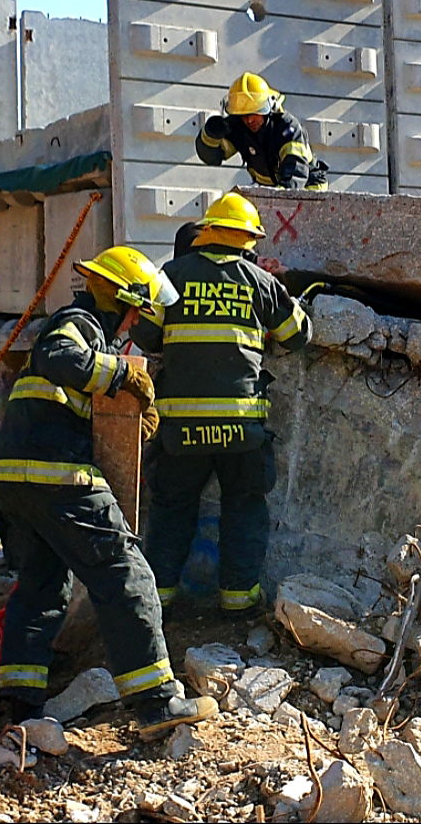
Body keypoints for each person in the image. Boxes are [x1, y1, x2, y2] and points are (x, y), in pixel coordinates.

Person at [0, 245, 218, 739]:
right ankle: (157, 704)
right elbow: (59, 357)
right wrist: (122, 374)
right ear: (123, 299)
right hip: (57, 474)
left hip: (14, 477)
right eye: (138, 310)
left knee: (42, 588)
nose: (138, 321)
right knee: (125, 573)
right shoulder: (79, 322)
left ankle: (23, 713)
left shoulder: (85, 328)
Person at [130, 194, 312, 617]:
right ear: (249, 240)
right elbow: (297, 336)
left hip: (180, 429)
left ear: (207, 231)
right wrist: (289, 291)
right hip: (241, 427)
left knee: (172, 509)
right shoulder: (259, 281)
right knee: (244, 506)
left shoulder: (170, 276)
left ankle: (158, 600)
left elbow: (145, 336)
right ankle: (238, 599)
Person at [195, 72, 329, 190]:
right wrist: (210, 135)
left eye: (254, 113)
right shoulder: (239, 126)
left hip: (308, 188)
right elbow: (212, 157)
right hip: (271, 191)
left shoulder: (288, 128)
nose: (249, 120)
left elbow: (295, 171)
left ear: (267, 108)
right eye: (243, 115)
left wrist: (279, 197)